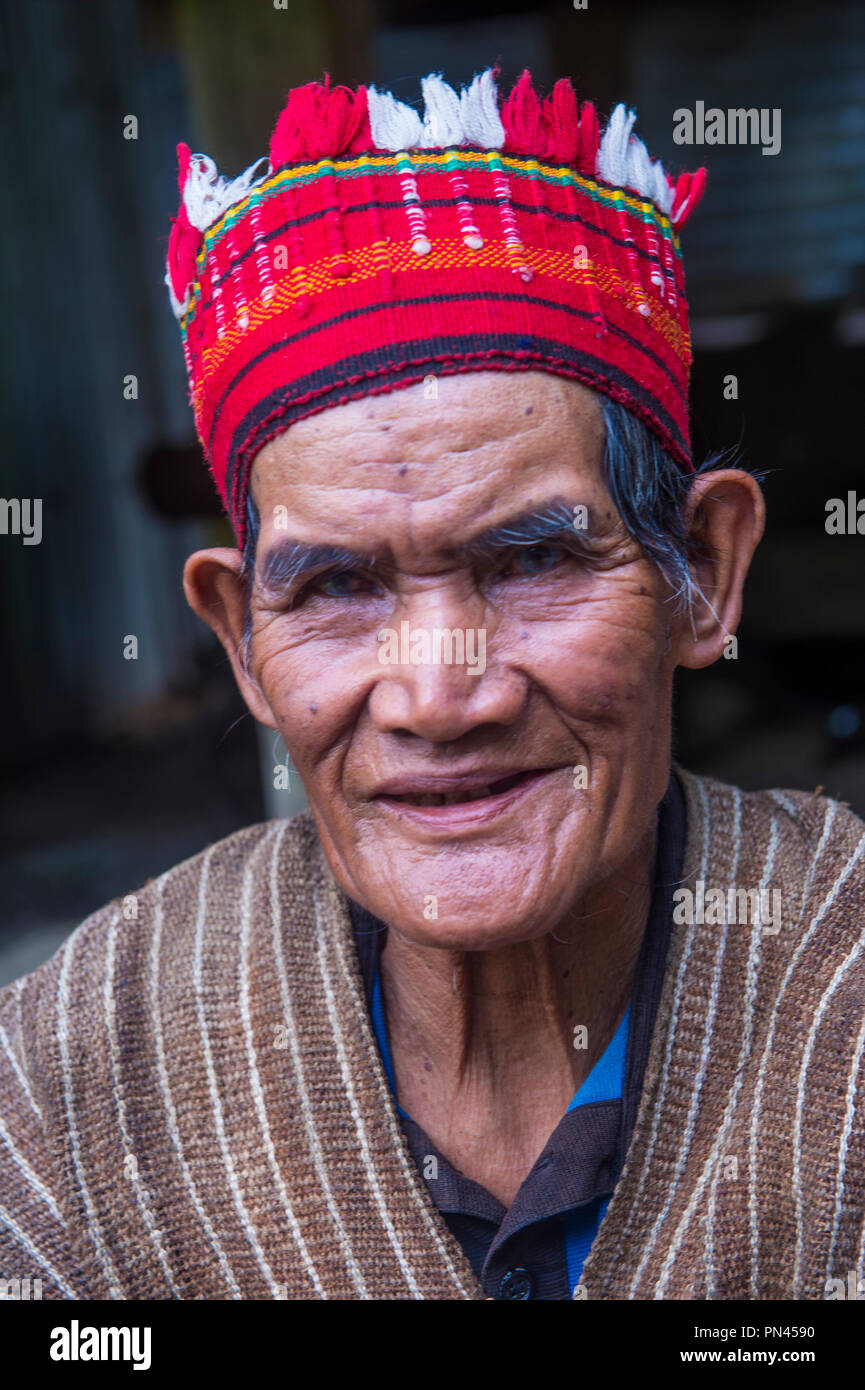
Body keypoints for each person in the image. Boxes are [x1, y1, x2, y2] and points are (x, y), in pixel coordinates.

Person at [1, 69, 863, 1302]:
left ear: (703, 577)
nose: (439, 698)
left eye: (530, 560)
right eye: (337, 588)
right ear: (243, 640)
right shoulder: (79, 1073)